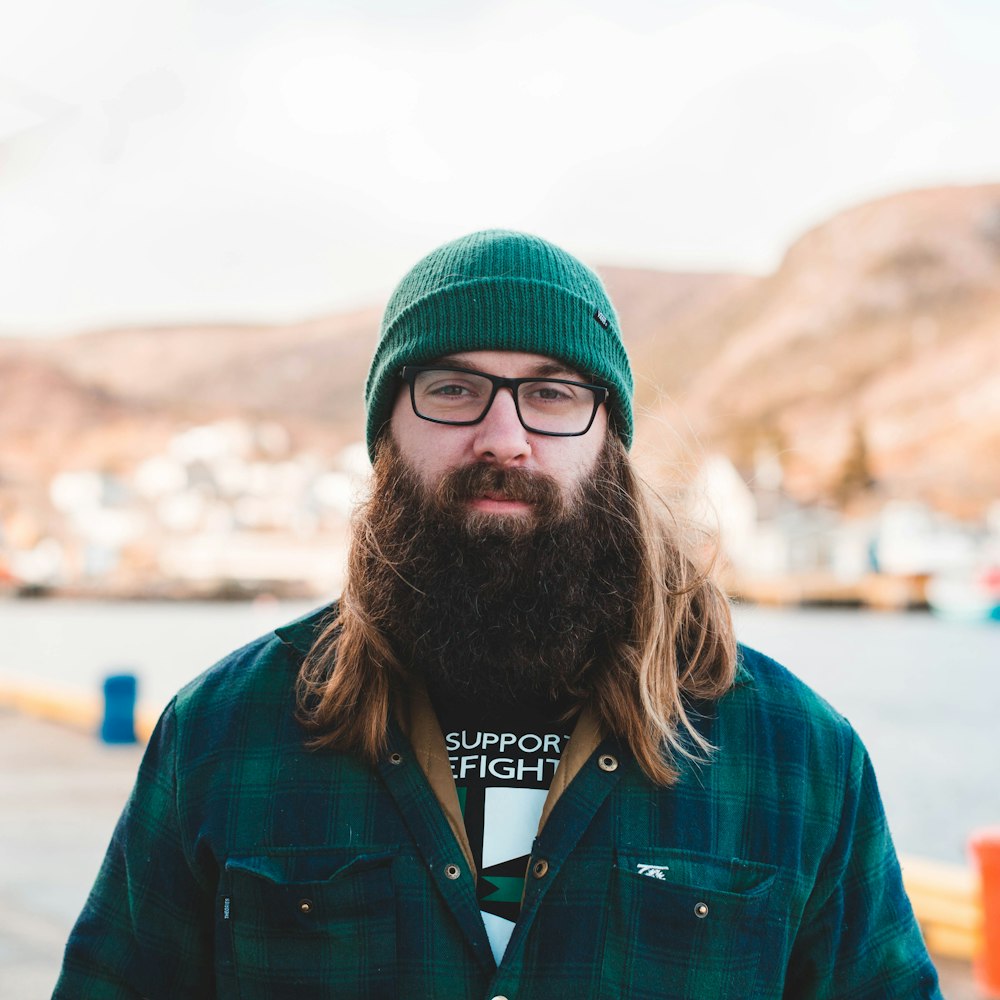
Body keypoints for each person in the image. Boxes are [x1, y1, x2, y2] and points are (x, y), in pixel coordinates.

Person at [55, 230, 941, 999]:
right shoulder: (222, 736)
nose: (504, 436)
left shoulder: (794, 757)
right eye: (452, 389)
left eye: (553, 393)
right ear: (385, 431)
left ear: (609, 440)